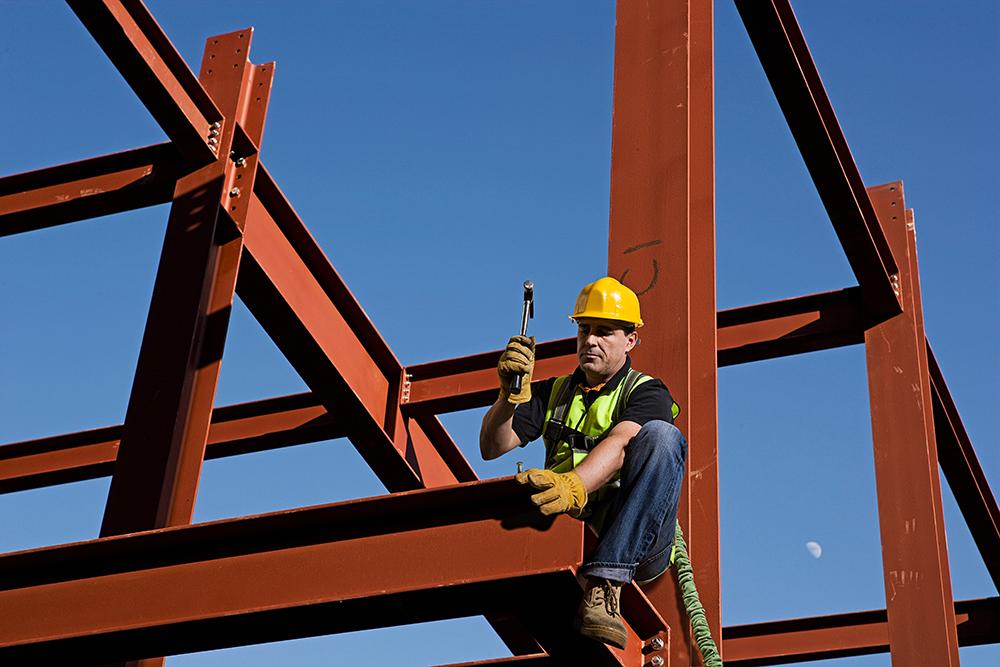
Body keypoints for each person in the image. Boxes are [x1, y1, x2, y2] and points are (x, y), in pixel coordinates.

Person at [479, 277, 687, 650]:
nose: (590, 340)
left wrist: (572, 484)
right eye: (584, 329)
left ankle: (606, 583)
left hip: (637, 543)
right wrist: (508, 397)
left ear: (630, 340)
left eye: (604, 332)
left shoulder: (647, 391)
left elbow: (624, 441)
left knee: (662, 437)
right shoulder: (553, 392)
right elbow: (492, 446)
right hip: (569, 526)